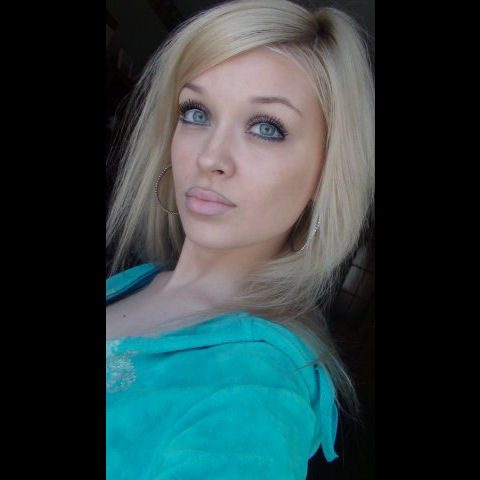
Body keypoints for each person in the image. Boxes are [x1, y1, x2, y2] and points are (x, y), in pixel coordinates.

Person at [106, 0, 374, 478]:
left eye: (266, 128)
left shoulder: (255, 396)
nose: (210, 157)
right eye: (196, 112)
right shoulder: (136, 280)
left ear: (327, 171)